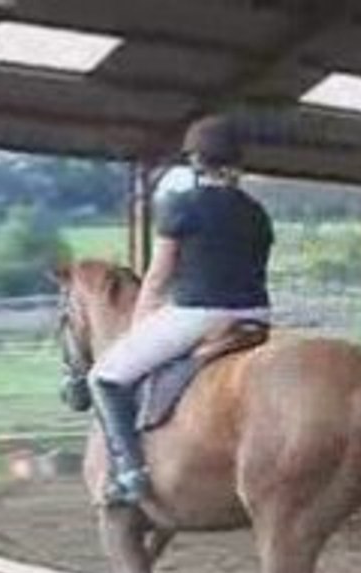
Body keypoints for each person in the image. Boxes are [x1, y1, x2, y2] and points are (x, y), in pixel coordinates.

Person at [88, 115, 274, 506]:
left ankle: (130, 474)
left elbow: (157, 277)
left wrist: (138, 327)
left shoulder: (180, 206)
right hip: (257, 316)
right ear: (236, 162)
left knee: (104, 376)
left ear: (195, 160)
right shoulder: (257, 211)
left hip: (199, 314)